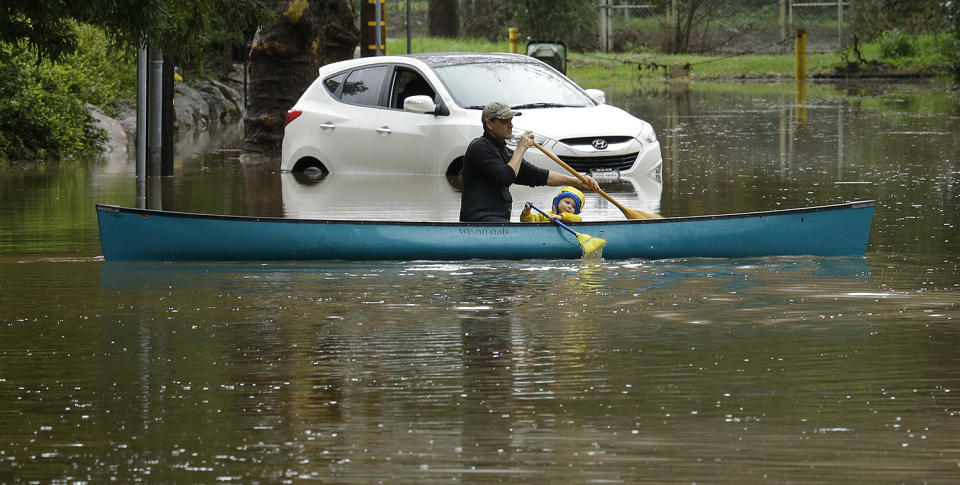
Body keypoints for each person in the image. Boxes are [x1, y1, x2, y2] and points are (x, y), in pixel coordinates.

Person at [459, 101, 600, 222]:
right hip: (479, 224)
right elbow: (506, 177)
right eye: (504, 121)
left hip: (499, 224)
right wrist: (521, 148)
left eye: (511, 121)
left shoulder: (505, 153)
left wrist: (577, 181)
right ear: (489, 124)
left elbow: (538, 175)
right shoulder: (479, 147)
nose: (510, 125)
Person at [520, 186, 585, 223]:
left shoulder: (574, 219)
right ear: (558, 201)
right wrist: (526, 213)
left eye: (573, 206)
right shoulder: (544, 215)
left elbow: (578, 219)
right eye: (567, 202)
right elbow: (529, 222)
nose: (569, 207)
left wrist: (561, 217)